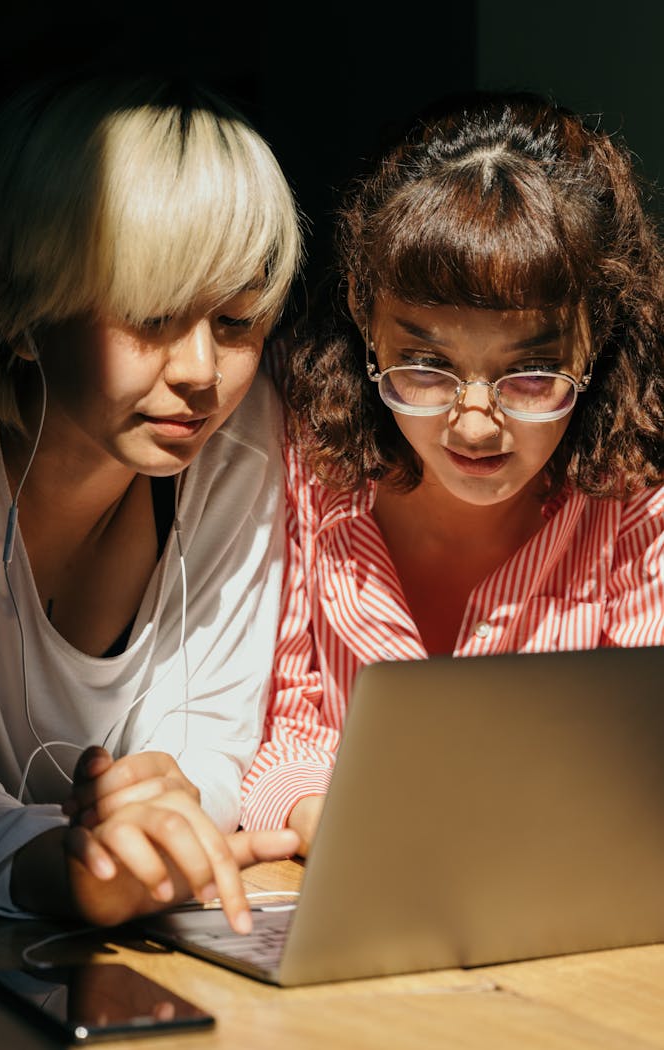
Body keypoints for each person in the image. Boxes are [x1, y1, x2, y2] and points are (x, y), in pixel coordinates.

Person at [240, 89, 664, 851]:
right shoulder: (293, 448)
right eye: (426, 366)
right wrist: (326, 816)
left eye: (531, 375)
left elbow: (641, 768)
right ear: (364, 314)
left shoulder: (636, 508)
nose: (473, 422)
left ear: (596, 342)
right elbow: (282, 722)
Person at [0, 66, 303, 929]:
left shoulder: (241, 430)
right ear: (21, 315)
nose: (200, 373)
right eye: (152, 316)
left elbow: (212, 747)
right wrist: (78, 871)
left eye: (236, 321)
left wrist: (171, 811)